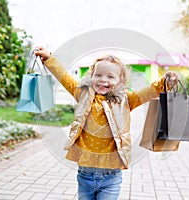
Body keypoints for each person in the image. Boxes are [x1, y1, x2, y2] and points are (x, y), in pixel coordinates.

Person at [35, 47, 178, 200]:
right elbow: (64, 77)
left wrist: (165, 82)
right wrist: (49, 58)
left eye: (110, 76)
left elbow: (148, 92)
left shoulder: (126, 100)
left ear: (120, 82)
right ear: (91, 76)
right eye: (98, 75)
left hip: (111, 177)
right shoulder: (83, 93)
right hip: (85, 174)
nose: (103, 79)